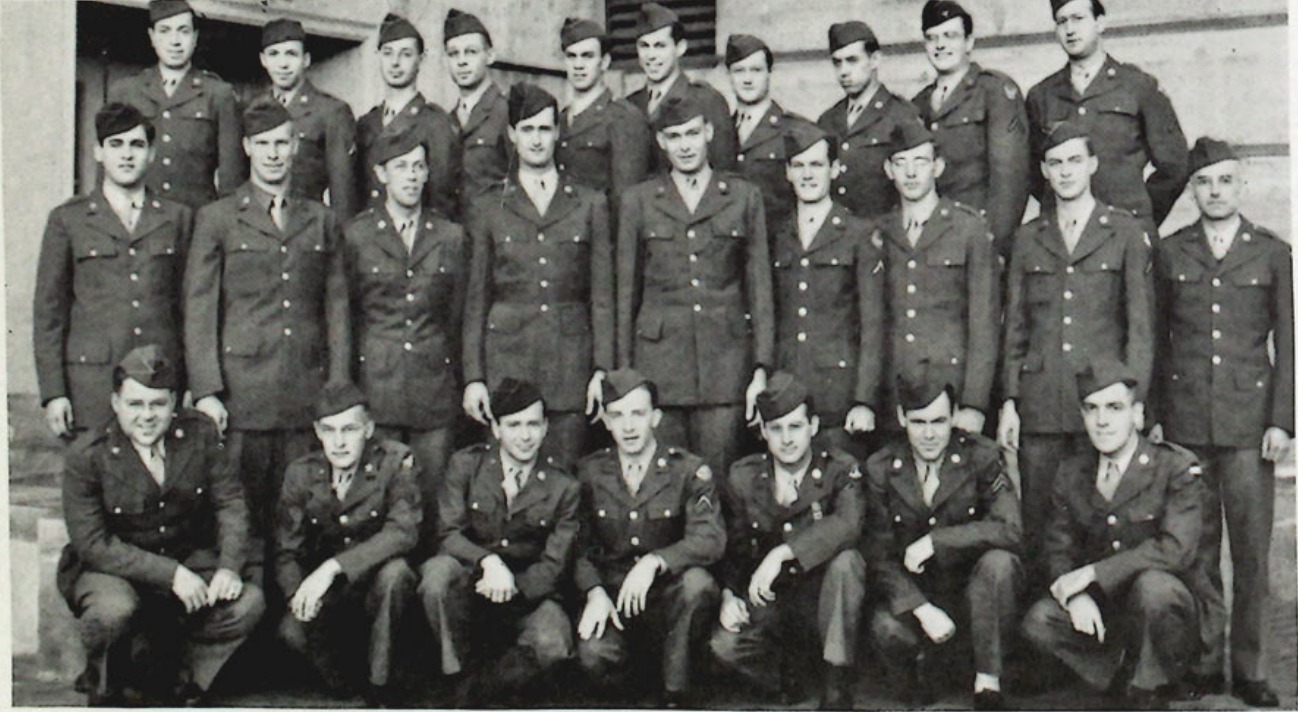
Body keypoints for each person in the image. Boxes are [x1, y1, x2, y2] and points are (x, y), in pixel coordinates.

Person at [1152, 138, 1293, 707]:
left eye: (1225, 181)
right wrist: (1158, 416)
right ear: (1192, 190)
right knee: (1198, 550)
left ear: (1243, 185)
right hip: (1186, 423)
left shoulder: (1271, 252)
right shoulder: (1169, 252)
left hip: (1247, 423)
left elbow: (1291, 341)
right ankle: (1206, 664)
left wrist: (1282, 420)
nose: (1215, 192)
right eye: (1205, 182)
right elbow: (1158, 342)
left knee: (1252, 554)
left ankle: (1251, 668)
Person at [184, 98, 351, 544]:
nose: (274, 153)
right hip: (242, 398)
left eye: (282, 143)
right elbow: (200, 308)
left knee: (304, 519)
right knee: (243, 518)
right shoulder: (217, 218)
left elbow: (336, 308)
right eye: (263, 144)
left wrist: (337, 386)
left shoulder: (321, 219)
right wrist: (207, 390)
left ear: (296, 146)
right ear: (246, 148)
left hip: (305, 393)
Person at [58, 346, 264, 706]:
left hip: (186, 555)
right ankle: (106, 684)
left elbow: (230, 503)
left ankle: (183, 679)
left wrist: (229, 568)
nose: (147, 416)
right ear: (115, 403)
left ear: (175, 404)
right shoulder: (87, 454)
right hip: (113, 570)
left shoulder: (200, 433)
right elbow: (93, 544)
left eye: (158, 404)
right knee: (113, 611)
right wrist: (172, 575)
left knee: (248, 603)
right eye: (136, 404)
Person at [998, 122, 1153, 573]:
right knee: (1040, 523)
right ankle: (1042, 634)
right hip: (1042, 404)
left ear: (1093, 165)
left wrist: (1136, 398)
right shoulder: (1029, 238)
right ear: (1044, 171)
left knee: (1102, 520)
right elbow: (1016, 327)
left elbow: (1139, 327)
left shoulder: (1122, 231)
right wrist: (1009, 400)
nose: (1065, 172)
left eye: (1074, 161)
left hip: (1101, 405)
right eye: (1056, 163)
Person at [1021, 358, 1205, 711]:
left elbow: (1176, 550)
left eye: (1114, 408)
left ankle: (1148, 685)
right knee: (1039, 621)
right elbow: (1058, 548)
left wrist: (1093, 575)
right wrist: (1075, 596)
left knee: (1154, 588)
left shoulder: (1175, 467)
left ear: (1137, 415)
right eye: (1091, 409)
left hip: (1161, 611)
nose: (1102, 420)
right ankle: (1120, 671)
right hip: (1106, 615)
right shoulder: (1072, 471)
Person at [617, 95, 774, 476]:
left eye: (692, 134)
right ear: (661, 142)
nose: (685, 145)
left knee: (718, 480)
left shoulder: (741, 197)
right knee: (665, 484)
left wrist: (760, 367)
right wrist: (624, 374)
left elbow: (760, 288)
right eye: (674, 136)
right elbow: (625, 292)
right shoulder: (639, 200)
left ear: (708, 133)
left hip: (724, 367)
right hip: (658, 370)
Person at [462, 83, 613, 470]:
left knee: (565, 475)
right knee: (506, 478)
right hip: (507, 363)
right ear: (512, 134)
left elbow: (601, 297)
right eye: (527, 129)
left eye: (545, 129)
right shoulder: (489, 206)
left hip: (569, 365)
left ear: (558, 132)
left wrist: (600, 370)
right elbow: (476, 298)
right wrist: (475, 376)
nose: (536, 139)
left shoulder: (589, 202)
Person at [35, 103, 192, 444]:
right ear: (98, 152)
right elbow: (49, 313)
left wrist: (192, 385)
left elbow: (190, 308)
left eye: (136, 145)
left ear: (151, 154)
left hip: (159, 384)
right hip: (91, 387)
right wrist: (53, 392)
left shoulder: (177, 218)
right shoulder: (68, 220)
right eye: (115, 144)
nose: (126, 155)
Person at [343, 125, 467, 552]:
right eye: (401, 168)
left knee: (432, 505)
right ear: (381, 174)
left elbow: (456, 317)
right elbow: (350, 315)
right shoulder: (357, 235)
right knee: (381, 504)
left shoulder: (449, 236)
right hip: (377, 388)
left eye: (419, 167)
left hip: (434, 392)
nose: (412, 176)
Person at [865, 373, 1021, 710]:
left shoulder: (981, 455)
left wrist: (939, 541)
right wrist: (920, 608)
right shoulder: (880, 468)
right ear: (901, 418)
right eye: (919, 422)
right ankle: (922, 675)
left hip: (972, 601)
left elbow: (1009, 528)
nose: (930, 433)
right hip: (917, 601)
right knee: (885, 628)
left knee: (1000, 564)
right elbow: (877, 556)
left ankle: (987, 684)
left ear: (954, 417)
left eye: (939, 421)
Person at [710, 373, 866, 709]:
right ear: (763, 431)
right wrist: (728, 594)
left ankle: (836, 682)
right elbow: (735, 547)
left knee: (847, 562)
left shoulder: (841, 468)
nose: (787, 439)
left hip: (824, 598)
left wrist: (784, 552)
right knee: (724, 647)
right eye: (776, 429)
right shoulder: (744, 475)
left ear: (812, 426)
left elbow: (848, 524)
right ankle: (788, 678)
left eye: (795, 427)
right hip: (772, 599)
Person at [419, 379, 579, 706]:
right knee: (437, 576)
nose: (525, 435)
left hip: (529, 595)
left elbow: (554, 564)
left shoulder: (564, 485)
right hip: (473, 583)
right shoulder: (467, 465)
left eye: (533, 424)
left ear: (546, 427)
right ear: (495, 428)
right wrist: (488, 563)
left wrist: (512, 591)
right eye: (514, 425)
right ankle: (458, 675)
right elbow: (448, 533)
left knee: (553, 645)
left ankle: (481, 686)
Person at [574, 369, 726, 708]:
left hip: (667, 600)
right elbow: (578, 546)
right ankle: (637, 684)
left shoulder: (687, 470)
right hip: (615, 600)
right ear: (607, 422)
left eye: (638, 414)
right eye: (617, 415)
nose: (628, 426)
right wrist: (594, 592)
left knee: (697, 585)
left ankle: (675, 693)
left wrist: (656, 561)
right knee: (594, 657)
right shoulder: (589, 473)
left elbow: (710, 538)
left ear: (655, 417)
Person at [275, 382, 420, 706]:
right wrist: (297, 595)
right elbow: (287, 550)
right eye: (329, 430)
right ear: (317, 432)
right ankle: (348, 681)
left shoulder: (394, 461)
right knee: (291, 633)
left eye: (349, 429)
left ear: (368, 429)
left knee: (396, 575)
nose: (339, 442)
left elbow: (403, 532)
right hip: (332, 598)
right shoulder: (301, 474)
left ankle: (380, 686)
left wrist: (333, 567)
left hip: (376, 591)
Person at [770, 119, 885, 459]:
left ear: (835, 170)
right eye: (799, 166)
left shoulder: (858, 233)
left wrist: (864, 399)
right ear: (788, 172)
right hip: (787, 393)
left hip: (839, 396)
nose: (808, 175)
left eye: (817, 165)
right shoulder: (778, 234)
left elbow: (873, 324)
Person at [877, 120, 999, 435]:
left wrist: (974, 403)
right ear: (889, 171)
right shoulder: (879, 232)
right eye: (901, 164)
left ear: (938, 166)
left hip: (952, 392)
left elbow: (983, 324)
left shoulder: (968, 229)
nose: (911, 173)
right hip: (896, 395)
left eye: (921, 162)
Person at [1026, 0, 1189, 232]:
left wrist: (1139, 215)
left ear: (1100, 23)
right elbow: (1031, 171)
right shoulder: (1042, 95)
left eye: (1078, 19)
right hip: (1064, 236)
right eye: (1062, 22)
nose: (1070, 29)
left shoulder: (1137, 86)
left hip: (1125, 234)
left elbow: (1175, 165)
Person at [911, 0, 1029, 257]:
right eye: (932, 38)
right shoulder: (918, 104)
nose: (940, 45)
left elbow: (1010, 181)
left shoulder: (994, 92)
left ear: (969, 42)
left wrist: (992, 245)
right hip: (931, 244)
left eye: (950, 36)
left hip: (980, 239)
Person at [108, 0, 244, 209]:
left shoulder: (218, 94)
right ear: (152, 37)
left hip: (196, 225)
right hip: (140, 223)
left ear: (195, 37)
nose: (175, 41)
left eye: (183, 31)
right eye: (165, 31)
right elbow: (108, 172)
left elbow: (231, 179)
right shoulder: (126, 92)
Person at [816, 19, 925, 221]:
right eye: (837, 62)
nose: (844, 71)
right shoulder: (827, 120)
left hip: (883, 238)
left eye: (852, 60)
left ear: (875, 60)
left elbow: (919, 190)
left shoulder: (901, 114)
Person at [355, 13, 460, 219]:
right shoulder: (367, 123)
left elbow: (442, 198)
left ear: (420, 59)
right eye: (387, 53)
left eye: (405, 54)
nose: (395, 62)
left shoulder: (436, 122)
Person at [253, 19, 358, 220]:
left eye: (291, 54)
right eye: (274, 54)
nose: (283, 64)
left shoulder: (331, 111)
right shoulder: (252, 108)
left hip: (309, 229)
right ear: (263, 60)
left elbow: (342, 194)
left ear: (306, 59)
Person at [626, 2, 737, 174]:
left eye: (660, 46)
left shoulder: (707, 101)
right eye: (644, 46)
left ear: (680, 48)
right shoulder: (630, 105)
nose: (651, 56)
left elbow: (723, 171)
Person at [556, 17, 651, 213]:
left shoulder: (623, 118)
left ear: (604, 62)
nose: (579, 65)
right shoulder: (560, 120)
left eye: (587, 56)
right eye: (572, 56)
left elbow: (627, 203)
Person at [726, 34, 801, 237]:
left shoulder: (793, 131)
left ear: (769, 72)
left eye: (756, 70)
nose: (747, 79)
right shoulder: (720, 130)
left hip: (777, 248)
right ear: (729, 75)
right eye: (739, 71)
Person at [444, 9, 511, 204]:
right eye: (453, 54)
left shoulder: (508, 112)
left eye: (471, 52)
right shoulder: (446, 121)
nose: (462, 61)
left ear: (490, 56)